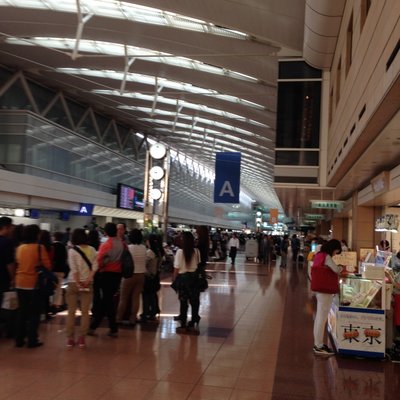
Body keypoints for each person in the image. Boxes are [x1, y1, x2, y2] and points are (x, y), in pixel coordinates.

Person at [15, 224, 51, 348]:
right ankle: (32, 340)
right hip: (34, 284)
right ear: (37, 234)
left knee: (22, 312)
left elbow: (18, 263)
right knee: (34, 313)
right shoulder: (39, 248)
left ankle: (19, 340)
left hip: (20, 282)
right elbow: (48, 266)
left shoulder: (20, 248)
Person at [89, 222, 123, 338]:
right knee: (108, 300)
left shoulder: (107, 244)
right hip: (117, 274)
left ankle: (95, 326)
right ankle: (112, 328)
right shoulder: (122, 243)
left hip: (107, 274)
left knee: (106, 300)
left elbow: (99, 261)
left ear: (106, 232)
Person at [66, 228, 98, 348]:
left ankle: (70, 339)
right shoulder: (92, 250)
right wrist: (87, 281)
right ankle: (82, 339)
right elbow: (95, 267)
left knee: (71, 312)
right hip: (87, 283)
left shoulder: (72, 251)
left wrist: (78, 282)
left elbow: (74, 268)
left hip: (73, 283)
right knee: (85, 312)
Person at [312, 239, 342, 356]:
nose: (335, 254)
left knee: (320, 318)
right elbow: (336, 269)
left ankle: (318, 343)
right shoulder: (327, 257)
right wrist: (341, 268)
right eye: (336, 251)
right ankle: (318, 346)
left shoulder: (319, 255)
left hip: (319, 290)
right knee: (321, 318)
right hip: (325, 291)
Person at [117, 229, 147, 326]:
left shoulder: (128, 248)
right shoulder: (144, 248)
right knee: (136, 298)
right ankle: (133, 319)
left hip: (129, 275)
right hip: (141, 275)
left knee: (123, 298)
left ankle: (119, 318)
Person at [173, 231, 201, 333]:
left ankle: (183, 324)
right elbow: (198, 265)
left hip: (183, 279)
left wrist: (174, 279)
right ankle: (193, 322)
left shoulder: (180, 252)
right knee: (194, 301)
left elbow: (176, 268)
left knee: (183, 302)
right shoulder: (197, 251)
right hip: (194, 279)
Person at [141, 234, 162, 322]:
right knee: (152, 295)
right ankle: (153, 312)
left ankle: (145, 313)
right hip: (155, 276)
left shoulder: (149, 252)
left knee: (146, 296)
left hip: (148, 277)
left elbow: (144, 264)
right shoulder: (158, 252)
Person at [51, 231, 69, 313]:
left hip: (52, 270)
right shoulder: (63, 247)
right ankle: (57, 305)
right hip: (61, 269)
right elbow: (65, 258)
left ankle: (50, 303)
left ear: (54, 237)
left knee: (51, 287)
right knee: (59, 288)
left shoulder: (51, 245)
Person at [0, 217, 15, 309]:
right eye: (11, 227)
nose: (12, 230)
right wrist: (13, 278)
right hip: (2, 278)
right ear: (6, 227)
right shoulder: (7, 242)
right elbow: (9, 263)